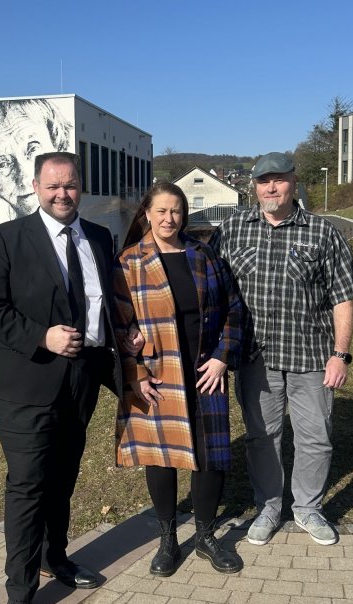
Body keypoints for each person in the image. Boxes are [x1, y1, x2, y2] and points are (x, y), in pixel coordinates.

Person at [0, 152, 142, 604]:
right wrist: (41, 337)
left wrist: (124, 336)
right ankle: (20, 593)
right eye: (53, 186)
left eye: (70, 185)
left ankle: (56, 556)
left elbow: (104, 304)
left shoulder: (100, 238)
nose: (62, 194)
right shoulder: (6, 238)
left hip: (80, 380)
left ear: (79, 186)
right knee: (28, 485)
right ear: (35, 187)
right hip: (25, 383)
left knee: (63, 476)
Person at [215, 152, 353, 547]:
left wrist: (340, 355)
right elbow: (208, 288)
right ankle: (267, 507)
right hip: (255, 358)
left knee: (315, 437)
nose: (271, 187)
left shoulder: (322, 232)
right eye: (263, 180)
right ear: (253, 186)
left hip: (312, 357)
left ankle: (308, 508)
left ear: (294, 183)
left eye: (278, 179)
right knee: (262, 438)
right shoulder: (231, 230)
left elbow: (344, 297)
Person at [113, 183, 244, 578]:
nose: (169, 219)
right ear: (147, 214)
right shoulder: (129, 262)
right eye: (162, 211)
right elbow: (118, 326)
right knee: (161, 457)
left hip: (205, 372)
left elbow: (234, 310)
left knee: (211, 457)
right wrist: (135, 374)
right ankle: (168, 539)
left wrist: (222, 357)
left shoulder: (204, 256)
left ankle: (205, 535)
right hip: (157, 376)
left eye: (176, 211)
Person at [0, 99, 71, 226]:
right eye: (2, 164)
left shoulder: (83, 212)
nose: (25, 178)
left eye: (33, 150)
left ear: (57, 146)